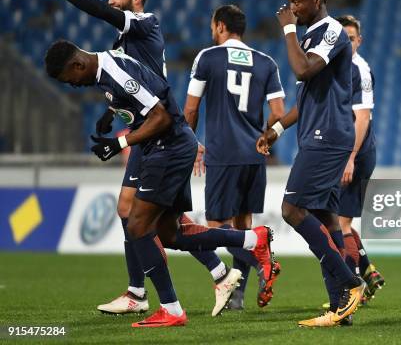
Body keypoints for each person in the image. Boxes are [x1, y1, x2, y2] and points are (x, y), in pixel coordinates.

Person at [22, 0, 235, 315]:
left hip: (159, 131)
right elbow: (124, 85)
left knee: (133, 214)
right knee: (160, 222)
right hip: (150, 127)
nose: (110, 1)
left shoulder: (143, 22)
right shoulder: (126, 40)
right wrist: (112, 114)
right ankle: (213, 273)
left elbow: (102, 15)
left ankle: (144, 292)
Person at [44, 40, 274, 328]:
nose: (73, 86)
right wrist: (110, 114)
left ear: (78, 65)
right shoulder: (106, 69)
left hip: (168, 148)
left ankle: (170, 308)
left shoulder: (114, 71)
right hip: (167, 147)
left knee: (137, 224)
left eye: (71, 80)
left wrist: (120, 142)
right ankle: (254, 239)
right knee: (170, 234)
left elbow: (161, 117)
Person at [256, 0, 366, 327]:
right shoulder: (311, 36)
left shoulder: (331, 31)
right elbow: (306, 98)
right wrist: (276, 128)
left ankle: (351, 284)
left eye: (297, 1)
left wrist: (287, 30)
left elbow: (302, 72)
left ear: (317, 0)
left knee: (291, 209)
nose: (291, 8)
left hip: (328, 135)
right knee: (324, 216)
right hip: (316, 133)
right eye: (289, 2)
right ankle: (339, 309)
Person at [183, 4, 285, 310]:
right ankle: (237, 296)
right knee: (243, 227)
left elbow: (190, 108)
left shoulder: (208, 57)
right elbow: (279, 114)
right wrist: (267, 138)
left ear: (220, 26)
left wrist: (189, 145)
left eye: (214, 26)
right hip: (255, 155)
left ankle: (262, 263)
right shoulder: (266, 62)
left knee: (216, 225)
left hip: (223, 152)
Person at [335, 15, 385, 303]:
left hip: (356, 153)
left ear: (359, 41)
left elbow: (361, 119)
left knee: (340, 224)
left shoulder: (359, 69)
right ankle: (366, 271)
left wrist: (350, 158)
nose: (347, 43)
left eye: (351, 39)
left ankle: (352, 288)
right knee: (338, 219)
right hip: (346, 153)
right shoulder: (340, 66)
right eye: (342, 38)